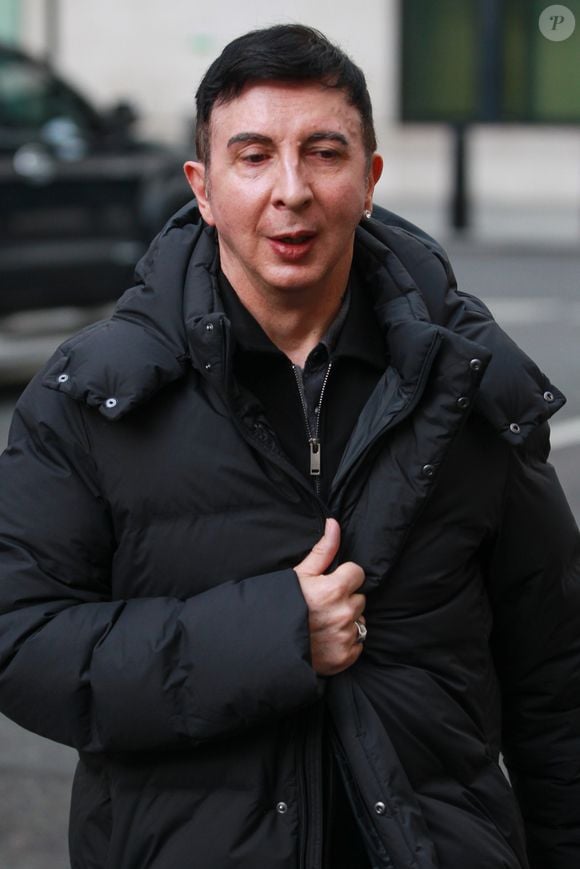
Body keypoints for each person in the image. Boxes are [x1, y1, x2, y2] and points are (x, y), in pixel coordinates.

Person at [0, 23, 578, 869]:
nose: (291, 190)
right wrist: (273, 635)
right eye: (254, 155)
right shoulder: (94, 395)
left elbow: (556, 681)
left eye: (324, 152)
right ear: (201, 187)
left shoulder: (468, 385)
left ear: (371, 177)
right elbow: (21, 640)